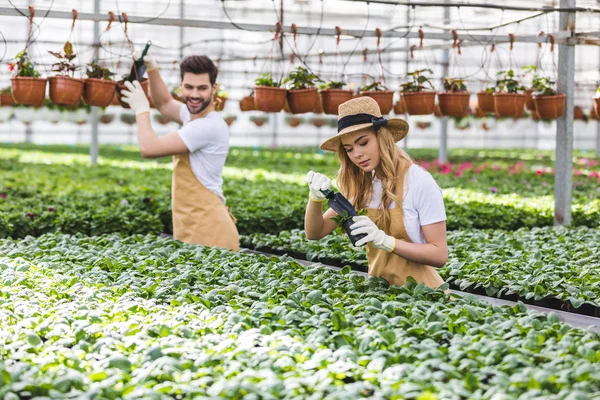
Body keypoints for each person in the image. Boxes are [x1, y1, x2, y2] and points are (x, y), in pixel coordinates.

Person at [304, 96, 447, 288]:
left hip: (424, 298)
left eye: (363, 142)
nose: (357, 154)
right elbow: (315, 232)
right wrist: (315, 199)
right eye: (349, 149)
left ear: (382, 137)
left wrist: (387, 241)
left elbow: (439, 254)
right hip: (380, 297)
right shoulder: (362, 186)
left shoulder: (420, 182)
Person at [120, 51, 239, 251]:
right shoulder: (193, 115)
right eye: (189, 87)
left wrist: (141, 110)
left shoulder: (207, 126)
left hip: (212, 234)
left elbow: (149, 148)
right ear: (181, 86)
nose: (194, 95)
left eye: (202, 88)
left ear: (214, 89)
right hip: (196, 227)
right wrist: (153, 69)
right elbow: (165, 103)